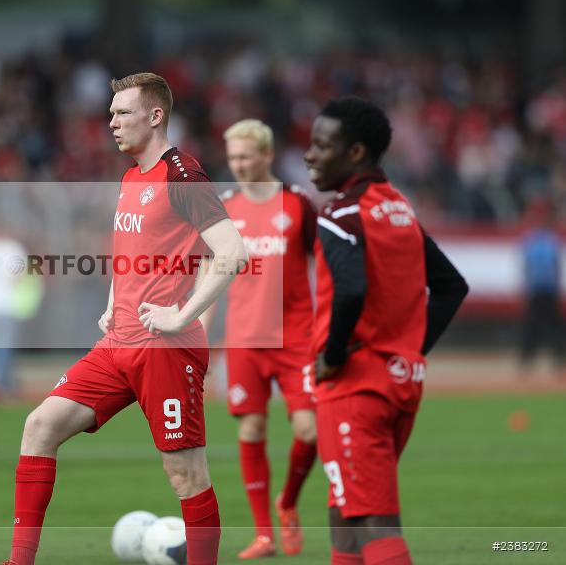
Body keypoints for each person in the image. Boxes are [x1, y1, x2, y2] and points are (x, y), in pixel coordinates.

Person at [0, 73, 248, 565]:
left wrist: (182, 314)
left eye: (122, 113)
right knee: (40, 426)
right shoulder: (133, 176)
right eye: (111, 113)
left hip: (165, 349)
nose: (111, 122)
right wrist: (115, 299)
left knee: (185, 475)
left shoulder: (183, 175)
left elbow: (232, 252)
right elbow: (132, 251)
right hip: (118, 344)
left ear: (155, 116)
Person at [304, 96, 468, 565]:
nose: (309, 155)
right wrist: (409, 350)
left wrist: (334, 356)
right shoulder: (398, 209)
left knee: (374, 521)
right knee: (346, 510)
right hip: (399, 382)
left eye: (321, 146)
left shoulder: (340, 214)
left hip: (354, 387)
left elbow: (351, 290)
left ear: (355, 153)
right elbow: (451, 286)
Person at [200, 119, 318, 558]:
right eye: (233, 157)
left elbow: (323, 262)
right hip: (245, 339)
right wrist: (200, 329)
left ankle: (287, 501)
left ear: (267, 155)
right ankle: (264, 534)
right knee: (251, 428)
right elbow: (211, 272)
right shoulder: (225, 209)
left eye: (246, 156)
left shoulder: (298, 204)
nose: (239, 164)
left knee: (309, 429)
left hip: (297, 337)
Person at [518, 199, 564, 377]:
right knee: (536, 326)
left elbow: (552, 267)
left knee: (547, 326)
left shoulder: (543, 241)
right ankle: (529, 360)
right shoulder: (539, 241)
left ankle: (556, 359)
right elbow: (528, 267)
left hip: (545, 290)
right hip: (539, 290)